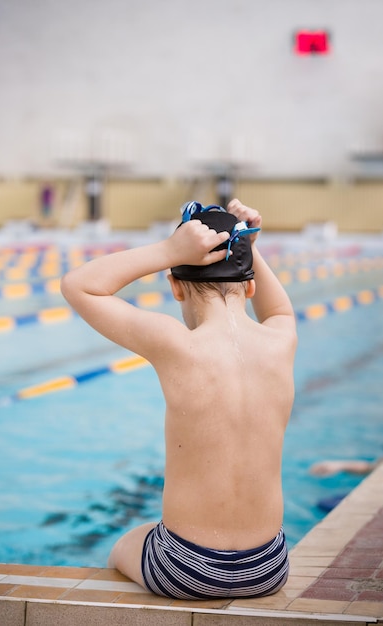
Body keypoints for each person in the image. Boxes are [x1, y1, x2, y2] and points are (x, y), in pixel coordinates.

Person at [60, 198, 297, 599]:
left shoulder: (176, 344)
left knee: (124, 544)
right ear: (251, 284)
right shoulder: (281, 338)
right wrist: (248, 243)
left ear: (174, 286)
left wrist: (168, 251)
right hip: (269, 568)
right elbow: (277, 307)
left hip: (187, 569)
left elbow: (78, 285)